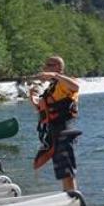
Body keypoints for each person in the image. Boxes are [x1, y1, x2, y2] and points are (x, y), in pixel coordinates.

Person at [30, 55, 81, 192]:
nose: (44, 68)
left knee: (67, 169)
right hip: (54, 131)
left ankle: (72, 195)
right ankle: (68, 193)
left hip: (64, 129)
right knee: (61, 169)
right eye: (45, 65)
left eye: (48, 65)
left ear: (58, 67)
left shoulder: (66, 82)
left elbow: (76, 86)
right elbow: (44, 110)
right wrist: (33, 99)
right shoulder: (52, 88)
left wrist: (54, 75)